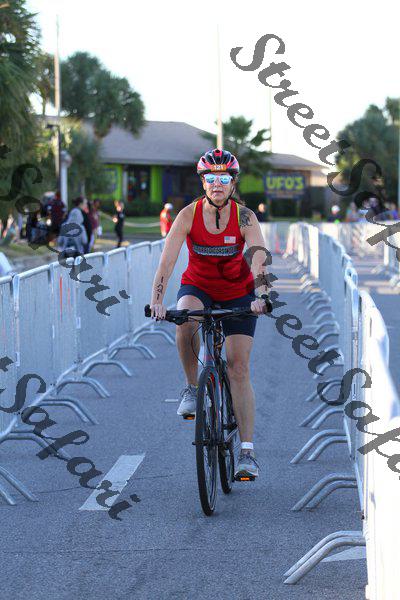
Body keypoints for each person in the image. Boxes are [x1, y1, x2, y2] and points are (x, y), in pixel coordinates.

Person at [149, 148, 272, 480]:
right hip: (198, 286)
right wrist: (157, 300)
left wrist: (262, 295)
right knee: (184, 318)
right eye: (211, 178)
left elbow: (259, 260)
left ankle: (247, 453)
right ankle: (192, 388)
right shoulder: (187, 215)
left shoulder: (245, 217)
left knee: (238, 367)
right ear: (203, 182)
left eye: (224, 178)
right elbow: (167, 262)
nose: (217, 184)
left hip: (238, 292)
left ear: (233, 183)